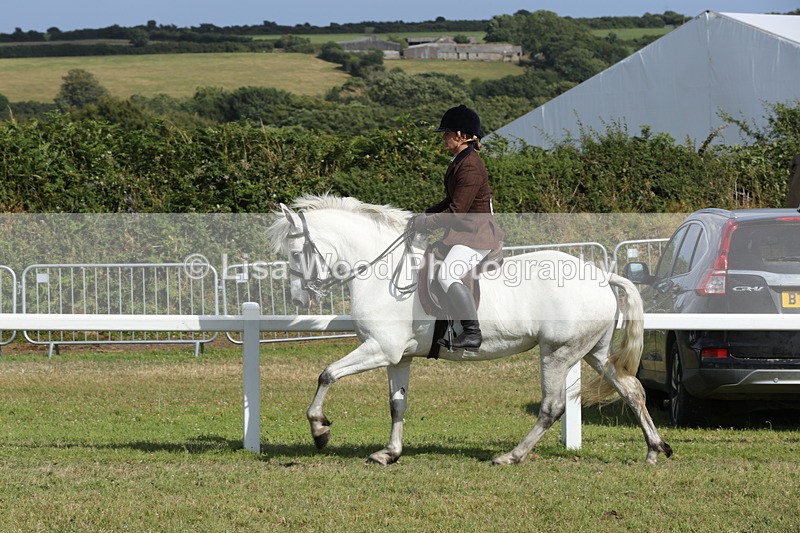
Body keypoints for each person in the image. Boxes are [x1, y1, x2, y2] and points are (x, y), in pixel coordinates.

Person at [412, 104, 504, 351]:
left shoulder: (470, 165)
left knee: (447, 274)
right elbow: (450, 201)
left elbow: (457, 211)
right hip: (465, 233)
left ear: (461, 136)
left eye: (446, 133)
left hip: (477, 235)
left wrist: (427, 223)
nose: (443, 138)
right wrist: (424, 215)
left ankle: (472, 333)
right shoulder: (460, 161)